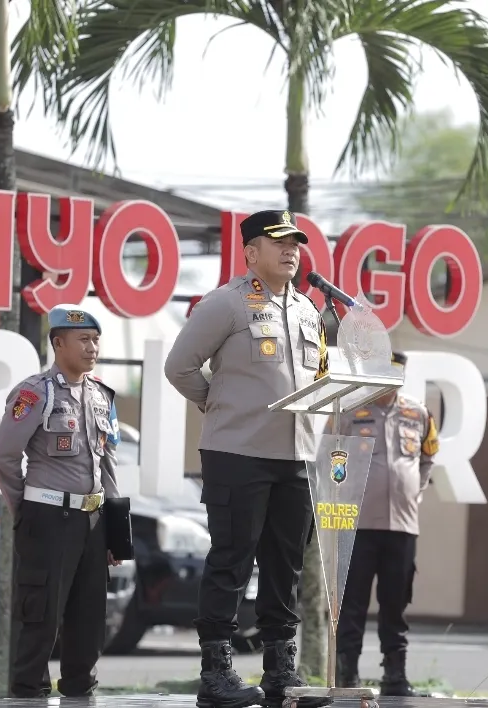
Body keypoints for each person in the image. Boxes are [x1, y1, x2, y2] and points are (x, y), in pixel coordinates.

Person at [164, 210, 330, 708]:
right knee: (231, 560)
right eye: (278, 242)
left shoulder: (307, 310)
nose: (290, 251)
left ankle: (282, 673)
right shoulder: (226, 304)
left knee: (285, 568)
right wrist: (219, 404)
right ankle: (216, 673)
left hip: (296, 456)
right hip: (237, 452)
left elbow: (318, 376)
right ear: (251, 252)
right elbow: (180, 366)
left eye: (295, 243)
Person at [0, 305, 123, 698]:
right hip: (48, 516)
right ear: (58, 342)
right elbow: (3, 457)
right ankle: (28, 694)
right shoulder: (35, 393)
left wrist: (114, 528)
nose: (92, 347)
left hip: (93, 520)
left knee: (89, 617)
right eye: (84, 339)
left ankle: (81, 692)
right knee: (41, 615)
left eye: (96, 339)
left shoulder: (101, 395)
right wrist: (26, 508)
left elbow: (108, 463)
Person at [333, 351, 440, 697]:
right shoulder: (349, 412)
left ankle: (395, 674)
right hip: (359, 525)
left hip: (402, 526)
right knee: (353, 605)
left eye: (395, 372)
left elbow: (427, 459)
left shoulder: (418, 413)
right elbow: (332, 461)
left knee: (396, 603)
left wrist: (415, 493)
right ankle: (346, 672)